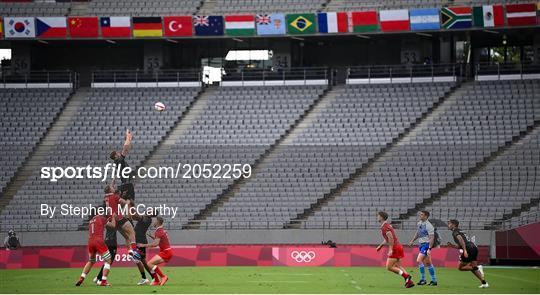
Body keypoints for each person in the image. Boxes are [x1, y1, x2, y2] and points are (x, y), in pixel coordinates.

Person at [76, 210, 116, 287]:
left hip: (90, 241)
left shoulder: (90, 221)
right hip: (99, 241)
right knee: (108, 260)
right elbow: (113, 225)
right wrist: (113, 217)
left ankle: (82, 278)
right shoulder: (101, 218)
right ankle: (103, 281)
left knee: (91, 261)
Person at [376, 211, 415, 288]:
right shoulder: (387, 225)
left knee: (389, 267)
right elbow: (388, 238)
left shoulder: (385, 227)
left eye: (378, 216)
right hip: (398, 246)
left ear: (381, 217)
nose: (377, 217)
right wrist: (381, 245)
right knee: (398, 265)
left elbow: (390, 238)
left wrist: (391, 249)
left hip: (395, 247)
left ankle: (406, 276)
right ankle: (409, 282)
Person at [104, 181, 141, 261]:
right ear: (110, 190)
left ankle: (130, 251)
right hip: (119, 218)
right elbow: (123, 202)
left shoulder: (106, 197)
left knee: (127, 237)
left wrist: (114, 178)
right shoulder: (115, 196)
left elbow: (110, 185)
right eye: (112, 188)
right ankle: (135, 252)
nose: (114, 188)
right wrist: (127, 202)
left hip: (113, 221)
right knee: (132, 234)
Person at [447, 219, 489, 288]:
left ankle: (478, 267)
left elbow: (461, 240)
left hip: (468, 249)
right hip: (473, 248)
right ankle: (484, 283)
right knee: (472, 268)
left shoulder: (455, 232)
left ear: (454, 225)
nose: (448, 225)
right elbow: (460, 244)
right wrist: (452, 246)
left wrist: (465, 250)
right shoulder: (461, 231)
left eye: (449, 224)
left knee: (461, 267)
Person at [137, 216, 172, 286]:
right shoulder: (161, 230)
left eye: (154, 220)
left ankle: (163, 277)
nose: (153, 222)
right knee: (151, 264)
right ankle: (156, 280)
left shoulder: (159, 231)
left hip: (166, 252)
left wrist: (143, 245)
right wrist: (152, 237)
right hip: (167, 251)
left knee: (149, 264)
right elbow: (161, 240)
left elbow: (155, 244)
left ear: (158, 222)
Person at [408, 210, 438, 286]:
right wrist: (412, 240)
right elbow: (418, 233)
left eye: (422, 215)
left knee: (418, 260)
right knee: (428, 263)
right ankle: (434, 281)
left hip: (426, 245)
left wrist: (429, 249)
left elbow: (432, 238)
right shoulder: (419, 223)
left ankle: (423, 279)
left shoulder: (429, 226)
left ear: (426, 216)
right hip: (421, 245)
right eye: (420, 214)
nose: (420, 216)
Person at [109, 129, 135, 200]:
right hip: (126, 185)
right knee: (130, 202)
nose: (119, 153)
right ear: (115, 156)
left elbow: (126, 149)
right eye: (117, 153)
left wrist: (129, 139)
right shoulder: (119, 160)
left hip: (125, 184)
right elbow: (125, 149)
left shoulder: (118, 162)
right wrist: (127, 137)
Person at [132, 210, 156, 285]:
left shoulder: (146, 219)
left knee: (138, 260)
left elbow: (136, 216)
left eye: (150, 211)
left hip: (140, 242)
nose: (148, 211)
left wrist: (131, 208)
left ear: (152, 214)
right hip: (139, 241)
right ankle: (153, 277)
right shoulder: (147, 218)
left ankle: (145, 278)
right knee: (143, 261)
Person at [94, 221, 117, 285]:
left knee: (108, 261)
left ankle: (98, 277)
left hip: (108, 241)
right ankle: (100, 279)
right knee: (109, 262)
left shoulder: (107, 220)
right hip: (111, 242)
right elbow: (114, 226)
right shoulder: (110, 221)